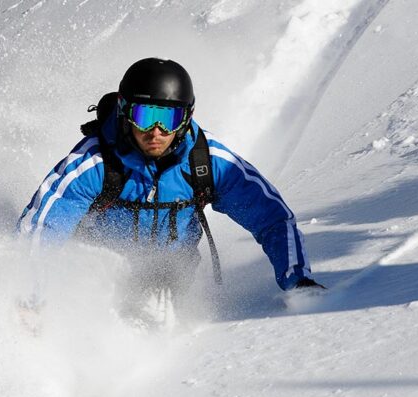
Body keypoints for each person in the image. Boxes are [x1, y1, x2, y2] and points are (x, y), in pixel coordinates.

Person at [18, 58, 322, 310]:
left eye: (169, 119)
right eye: (145, 115)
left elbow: (271, 218)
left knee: (158, 309)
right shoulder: (95, 162)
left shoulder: (206, 161)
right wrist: (31, 293)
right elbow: (44, 226)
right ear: (125, 113)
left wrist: (298, 281)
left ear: (186, 119)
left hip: (171, 273)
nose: (156, 131)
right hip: (97, 267)